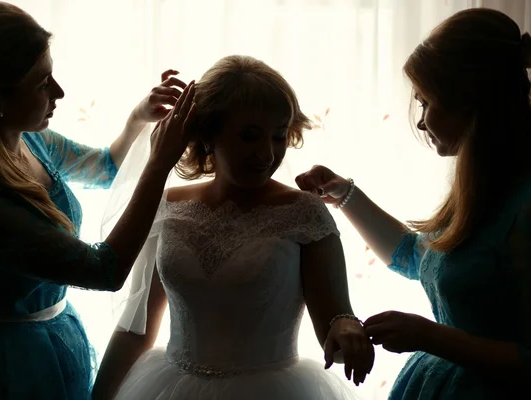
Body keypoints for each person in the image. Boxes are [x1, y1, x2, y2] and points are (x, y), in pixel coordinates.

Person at [0, 1, 195, 399]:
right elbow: (105, 270)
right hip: (4, 366)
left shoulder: (32, 141)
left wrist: (139, 117)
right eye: (42, 83)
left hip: (54, 335)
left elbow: (105, 168)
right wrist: (158, 166)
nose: (59, 92)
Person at [92, 55, 374, 400]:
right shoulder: (167, 205)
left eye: (278, 136)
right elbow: (136, 329)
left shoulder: (304, 212)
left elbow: (334, 317)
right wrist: (100, 395)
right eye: (250, 137)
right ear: (209, 135)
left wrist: (346, 329)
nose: (266, 154)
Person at [296, 8, 531, 400]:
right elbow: (414, 258)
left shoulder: (524, 207)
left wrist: (431, 336)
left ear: (468, 103)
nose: (421, 122)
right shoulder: (486, 188)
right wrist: (345, 195)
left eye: (425, 102)